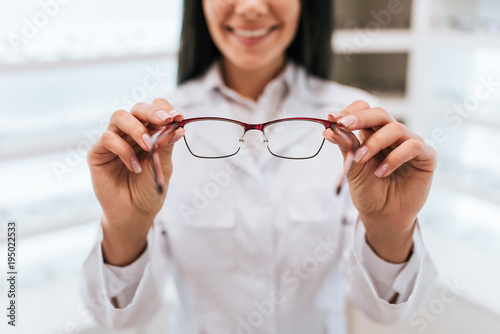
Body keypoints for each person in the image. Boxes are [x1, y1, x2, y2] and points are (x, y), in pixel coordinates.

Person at [82, 0, 438, 333]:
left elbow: (388, 311)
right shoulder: (154, 135)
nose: (251, 7)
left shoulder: (355, 123)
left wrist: (389, 228)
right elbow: (119, 316)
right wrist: (125, 227)